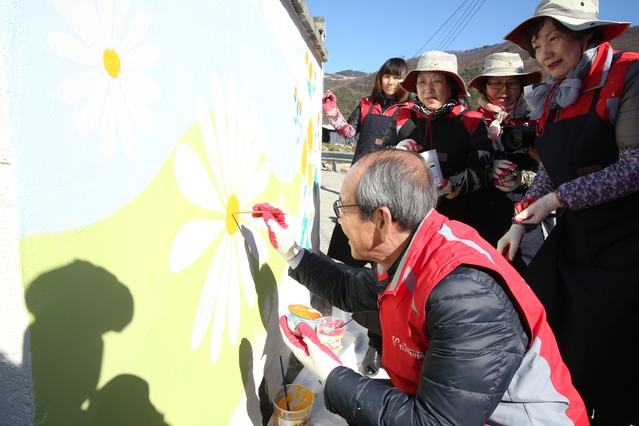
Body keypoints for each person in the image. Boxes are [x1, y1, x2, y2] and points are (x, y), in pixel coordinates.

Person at [253, 149, 587, 425]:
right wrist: (290, 251)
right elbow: (349, 290)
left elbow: (433, 422)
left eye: (343, 207)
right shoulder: (413, 248)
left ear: (382, 219)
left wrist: (330, 371)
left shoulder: (464, 294)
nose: (338, 219)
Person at [498, 1, 639, 424]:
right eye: (537, 45)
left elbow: (634, 167)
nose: (543, 52)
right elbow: (549, 169)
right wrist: (520, 222)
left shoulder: (627, 74)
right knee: (560, 338)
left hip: (626, 246)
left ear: (586, 35)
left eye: (554, 38)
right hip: (578, 241)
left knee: (615, 355)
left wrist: (556, 202)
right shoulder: (555, 95)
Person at [323, 58, 413, 377]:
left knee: (380, 268)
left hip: (384, 194)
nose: (391, 83)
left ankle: (378, 341)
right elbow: (348, 133)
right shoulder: (364, 104)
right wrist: (332, 112)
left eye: (397, 78)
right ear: (380, 79)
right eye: (387, 77)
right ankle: (339, 319)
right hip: (355, 189)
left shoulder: (410, 111)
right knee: (346, 258)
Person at [381, 50, 512, 250]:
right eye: (422, 81)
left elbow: (483, 170)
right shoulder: (403, 116)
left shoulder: (472, 120)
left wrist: (452, 185)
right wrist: (396, 152)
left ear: (451, 85)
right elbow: (378, 159)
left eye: (437, 81)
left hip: (457, 222)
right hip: (407, 221)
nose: (428, 89)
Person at [468, 52, 549, 267]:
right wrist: (485, 169)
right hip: (478, 217)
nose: (504, 90)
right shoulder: (468, 122)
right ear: (484, 86)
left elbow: (551, 170)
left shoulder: (536, 121)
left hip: (525, 220)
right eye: (496, 83)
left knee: (532, 278)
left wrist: (522, 178)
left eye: (512, 83)